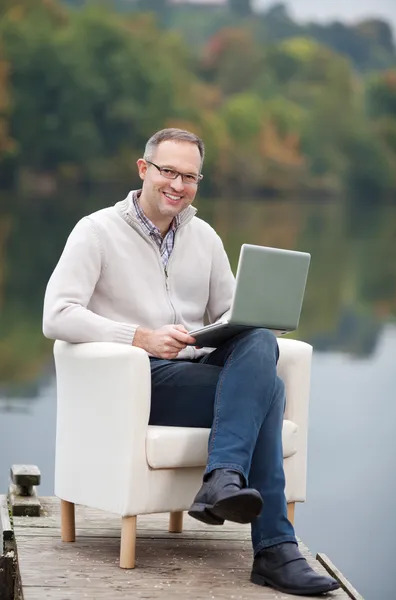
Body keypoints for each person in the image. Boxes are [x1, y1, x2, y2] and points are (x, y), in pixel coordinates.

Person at [43, 128, 339, 596]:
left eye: (190, 176)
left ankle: (223, 480)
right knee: (271, 392)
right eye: (168, 172)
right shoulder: (96, 231)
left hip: (194, 367)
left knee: (260, 339)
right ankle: (274, 549)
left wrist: (260, 316)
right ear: (144, 170)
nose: (178, 185)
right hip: (138, 380)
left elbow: (230, 312)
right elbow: (56, 315)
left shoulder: (203, 237)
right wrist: (139, 337)